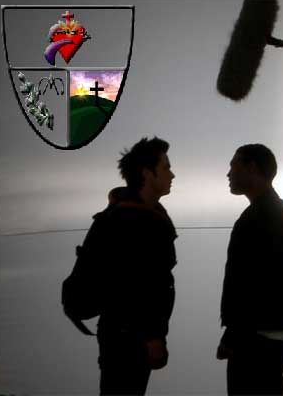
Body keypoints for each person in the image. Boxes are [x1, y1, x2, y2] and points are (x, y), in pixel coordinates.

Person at [217, 144, 283, 395]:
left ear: (251, 168)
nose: (228, 173)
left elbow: (258, 281)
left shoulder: (265, 215)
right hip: (265, 335)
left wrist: (233, 335)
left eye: (234, 165)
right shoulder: (268, 212)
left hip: (258, 337)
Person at [96, 137, 177, 395]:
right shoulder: (134, 220)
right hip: (128, 339)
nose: (172, 174)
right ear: (147, 173)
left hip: (123, 335)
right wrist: (152, 337)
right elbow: (132, 286)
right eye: (166, 167)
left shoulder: (144, 215)